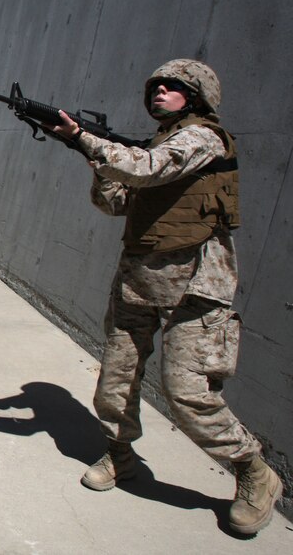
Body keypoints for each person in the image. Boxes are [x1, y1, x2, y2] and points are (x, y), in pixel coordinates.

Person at [49, 59, 282, 536]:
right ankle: (120, 455)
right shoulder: (154, 145)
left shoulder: (203, 138)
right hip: (138, 279)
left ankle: (253, 471)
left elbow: (148, 169)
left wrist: (85, 139)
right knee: (115, 381)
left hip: (194, 286)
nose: (158, 91)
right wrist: (97, 162)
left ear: (196, 96)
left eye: (171, 86)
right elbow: (114, 203)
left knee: (187, 394)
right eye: (154, 85)